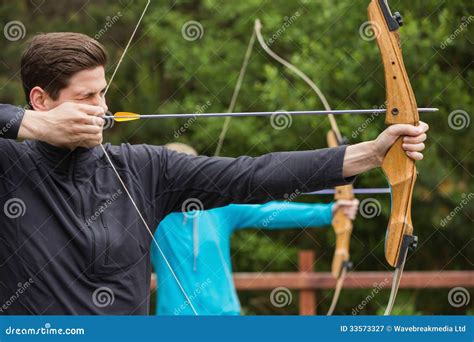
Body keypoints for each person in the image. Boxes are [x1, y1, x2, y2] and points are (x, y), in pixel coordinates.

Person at [0, 32, 428, 315]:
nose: (103, 108)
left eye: (104, 93)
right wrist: (33, 126)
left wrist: (368, 154)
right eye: (87, 96)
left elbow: (252, 175)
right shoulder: (10, 167)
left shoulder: (145, 168)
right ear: (40, 99)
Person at [151, 143, 359, 315]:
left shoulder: (219, 210)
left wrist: (328, 213)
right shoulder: (153, 217)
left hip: (225, 317)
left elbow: (268, 211)